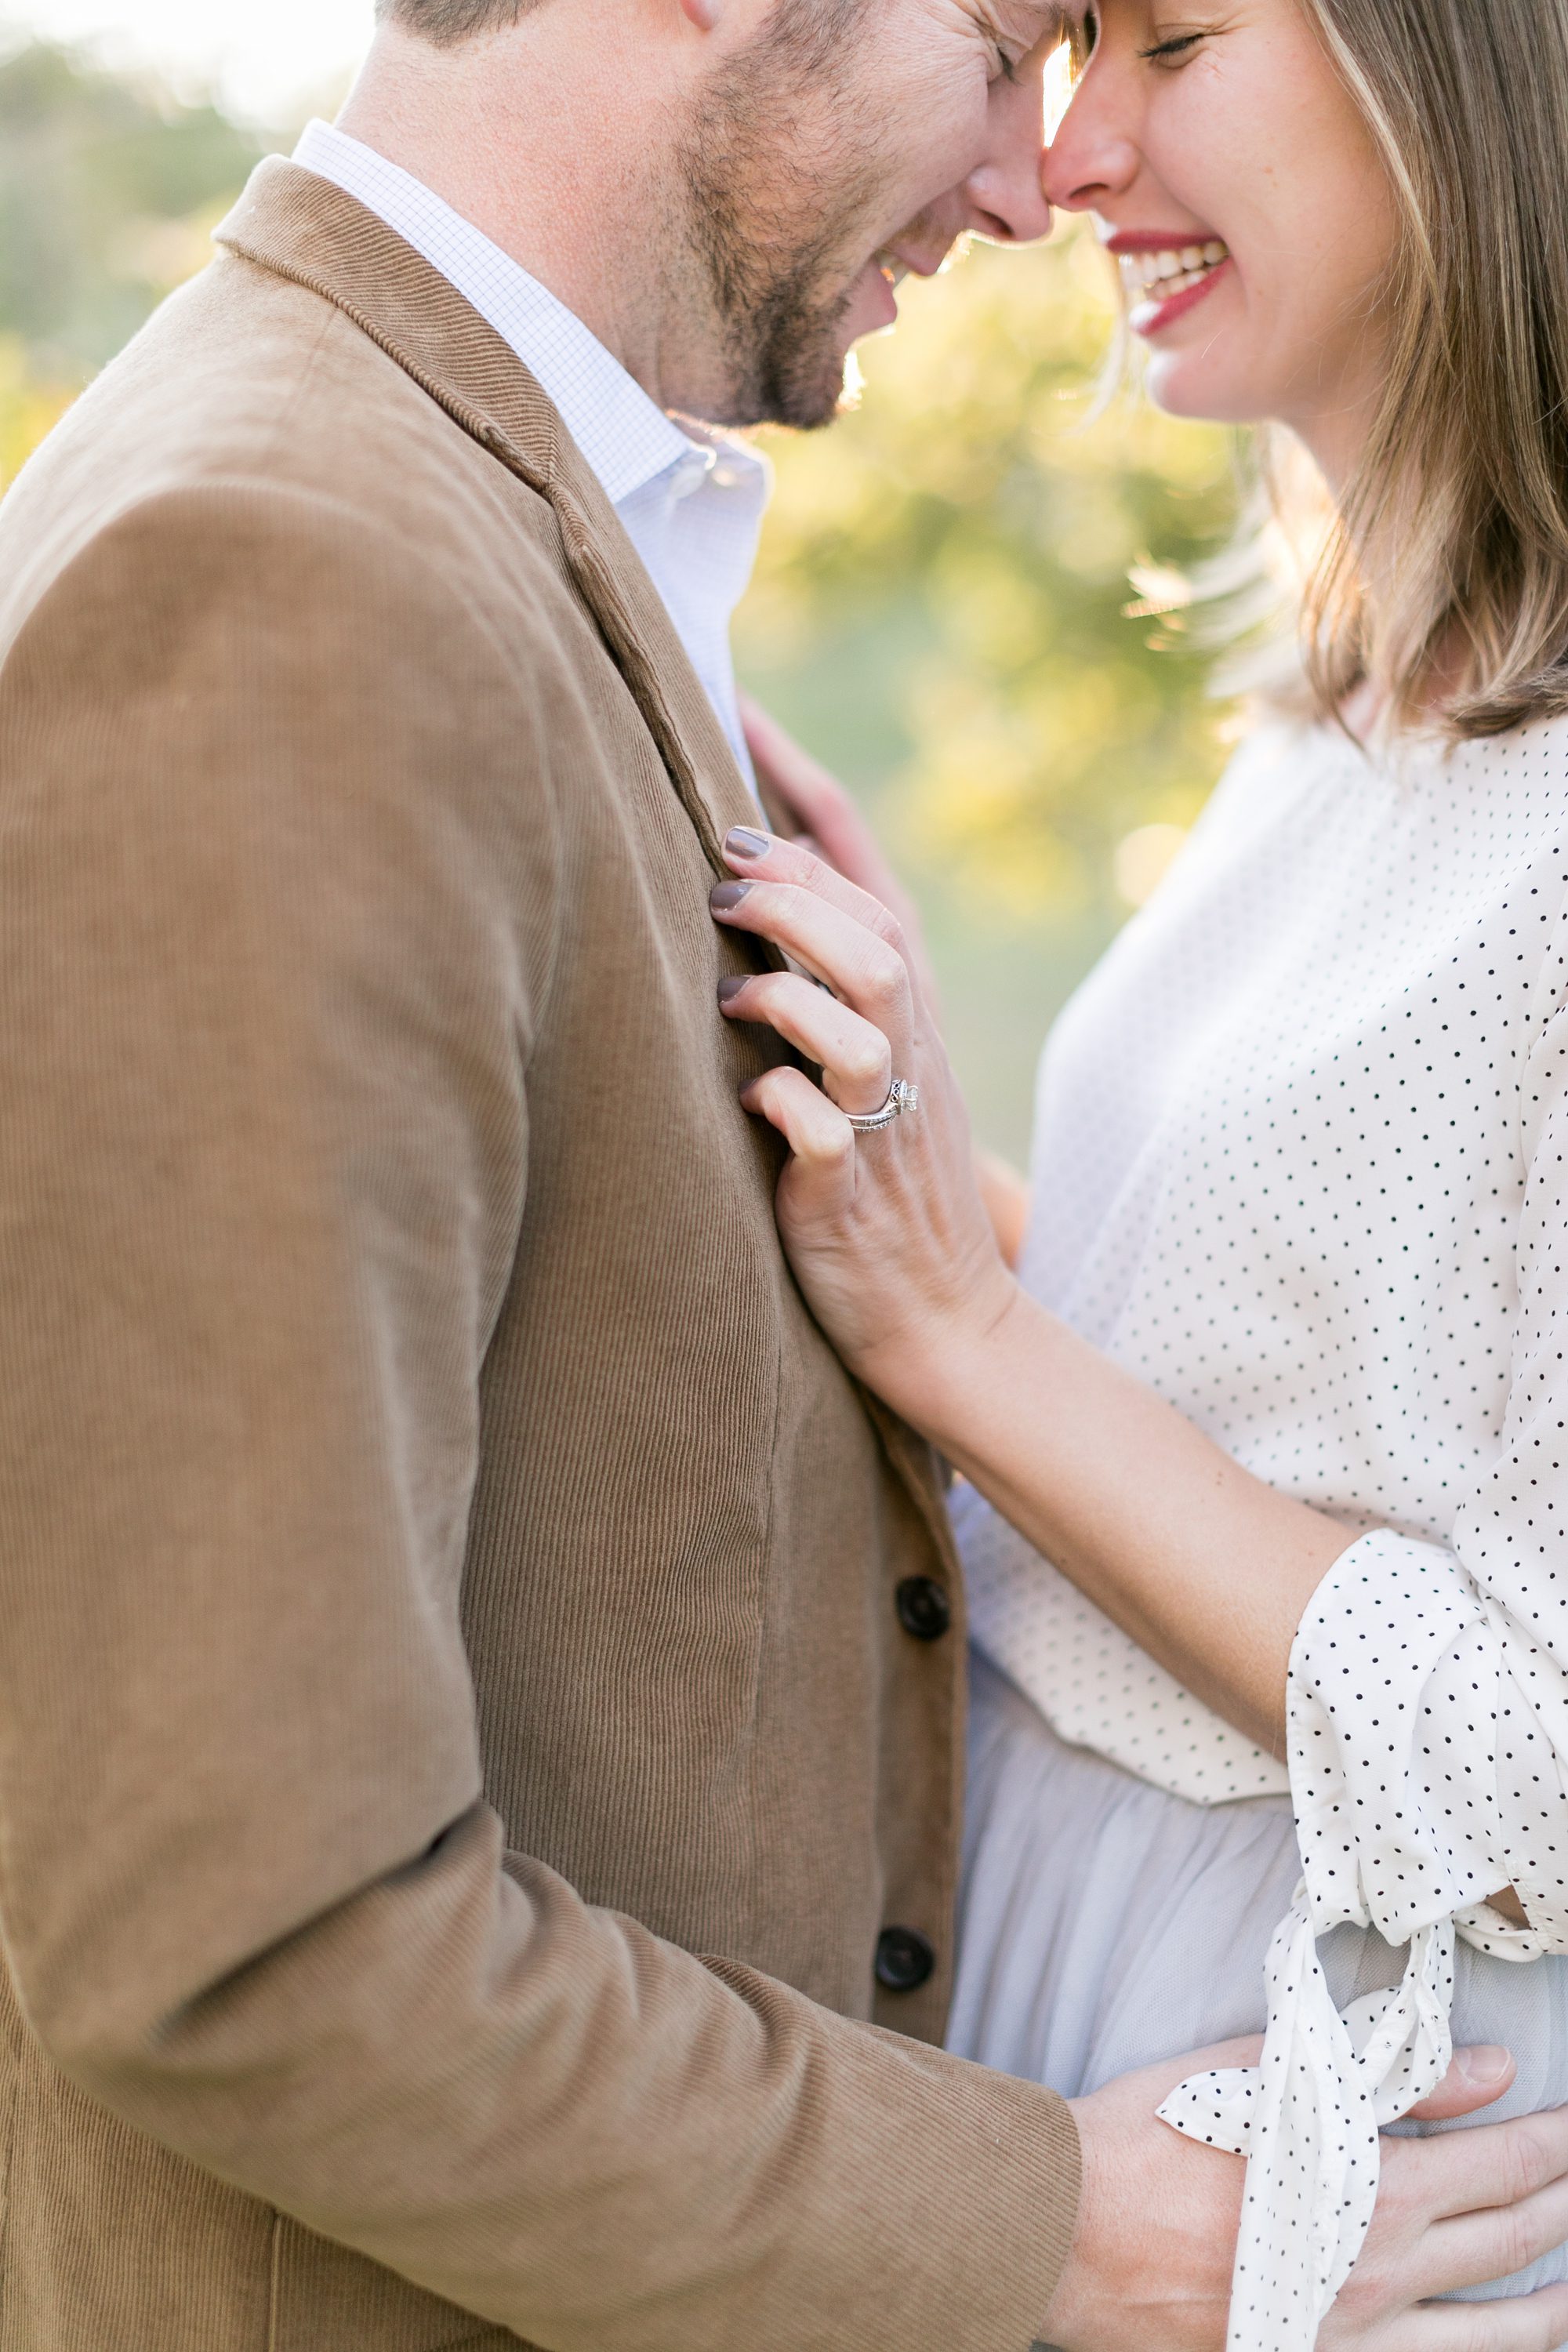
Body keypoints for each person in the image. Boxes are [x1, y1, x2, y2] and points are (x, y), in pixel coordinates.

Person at [0, 0, 1556, 2347]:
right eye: (1011, 41)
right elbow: (235, 1923)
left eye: (1153, 44)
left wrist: (909, 1190)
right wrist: (1042, 2225)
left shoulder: (471, 519)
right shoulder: (282, 576)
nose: (1039, 179)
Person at [710, 0, 1568, 2346]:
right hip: (1066, 1987)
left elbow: (1533, 1768)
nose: (1068, 158)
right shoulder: (1355, 691)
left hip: (1336, 2080)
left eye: (1175, 40)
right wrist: (903, 1109)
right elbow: (1258, 1366)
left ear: (1467, 74)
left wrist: (954, 1331)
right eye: (1074, 45)